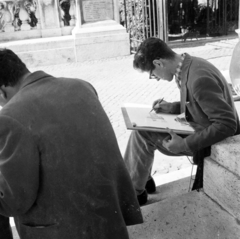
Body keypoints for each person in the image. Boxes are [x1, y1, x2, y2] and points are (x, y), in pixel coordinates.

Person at [0, 48, 143, 239]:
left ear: (2, 91)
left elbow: (14, 202)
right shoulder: (82, 87)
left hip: (61, 231)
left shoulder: (10, 117)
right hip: (109, 221)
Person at [124, 37, 240, 205]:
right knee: (142, 130)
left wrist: (184, 145)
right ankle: (139, 181)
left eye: (152, 74)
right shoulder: (189, 65)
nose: (155, 78)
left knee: (143, 134)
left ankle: (134, 191)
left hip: (210, 140)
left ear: (158, 63)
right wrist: (171, 108)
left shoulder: (198, 79)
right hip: (201, 126)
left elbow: (227, 125)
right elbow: (198, 104)